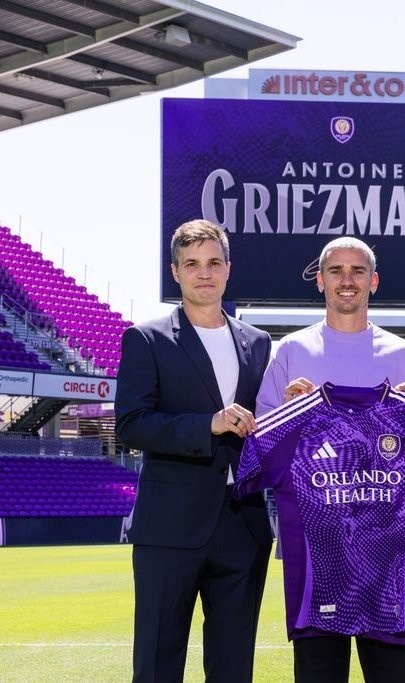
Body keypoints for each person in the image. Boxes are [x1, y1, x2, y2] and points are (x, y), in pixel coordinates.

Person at [254, 236, 405, 682]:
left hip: (387, 552)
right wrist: (289, 414)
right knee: (319, 674)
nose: (346, 280)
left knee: (392, 675)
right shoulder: (291, 351)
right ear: (320, 281)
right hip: (318, 549)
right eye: (336, 271)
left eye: (357, 271)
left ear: (374, 281)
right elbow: (263, 445)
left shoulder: (403, 355)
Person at [115, 219, 273, 682]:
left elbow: (263, 425)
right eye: (192, 264)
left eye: (213, 262)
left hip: (242, 525)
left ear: (228, 269)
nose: (204, 273)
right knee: (158, 664)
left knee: (233, 667)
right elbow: (131, 424)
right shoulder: (146, 338)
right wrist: (208, 424)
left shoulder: (257, 342)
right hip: (170, 525)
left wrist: (287, 406)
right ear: (176, 272)